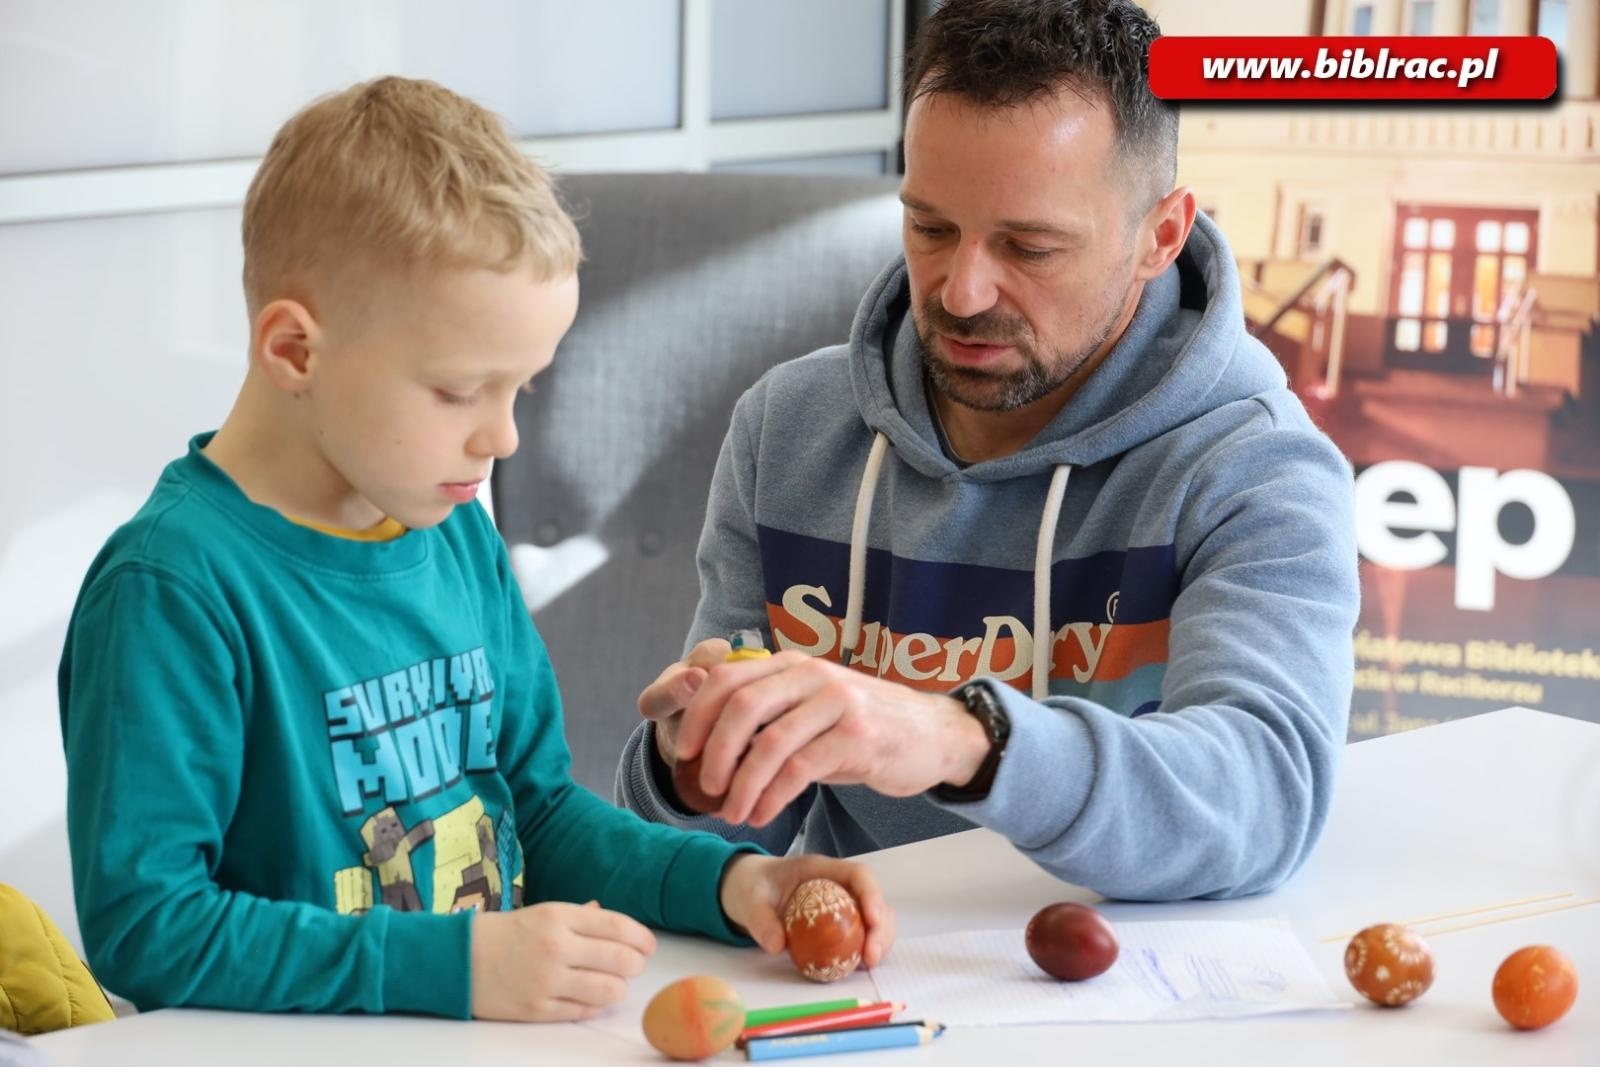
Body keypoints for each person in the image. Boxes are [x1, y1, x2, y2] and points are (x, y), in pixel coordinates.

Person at [57, 76, 890, 1022]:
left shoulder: (452, 533)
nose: (503, 439)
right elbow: (147, 924)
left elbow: (535, 811)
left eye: (521, 390)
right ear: (293, 350)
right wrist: (451, 966)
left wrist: (732, 882)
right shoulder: (173, 590)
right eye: (460, 391)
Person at [618, 0, 1359, 902]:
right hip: (874, 982)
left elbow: (1263, 798)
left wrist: (954, 738)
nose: (962, 292)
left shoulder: (1255, 468)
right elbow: (712, 840)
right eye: (930, 229)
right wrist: (695, 762)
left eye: (1030, 246)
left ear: (1158, 237)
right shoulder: (788, 429)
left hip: (1144, 991)